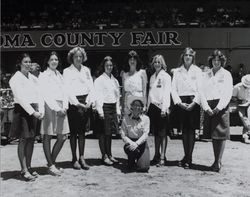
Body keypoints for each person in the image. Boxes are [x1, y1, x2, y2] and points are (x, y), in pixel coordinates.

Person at [8, 53, 44, 181]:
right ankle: (23, 170)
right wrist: (33, 112)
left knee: (31, 139)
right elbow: (21, 98)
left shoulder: (33, 78)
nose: (28, 64)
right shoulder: (15, 79)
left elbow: (39, 94)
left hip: (34, 110)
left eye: (30, 62)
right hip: (23, 111)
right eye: (25, 62)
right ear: (20, 63)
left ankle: (28, 166)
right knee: (24, 139)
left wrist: (41, 110)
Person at [200, 49, 233, 172]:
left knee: (221, 134)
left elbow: (228, 93)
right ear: (211, 61)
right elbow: (201, 92)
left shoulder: (226, 74)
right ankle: (216, 160)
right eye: (214, 60)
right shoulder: (206, 74)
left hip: (221, 106)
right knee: (214, 135)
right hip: (209, 105)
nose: (216, 62)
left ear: (222, 61)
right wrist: (207, 108)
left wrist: (219, 107)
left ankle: (218, 161)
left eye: (219, 60)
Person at [39, 51, 70, 176]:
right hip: (50, 107)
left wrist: (65, 107)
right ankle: (51, 165)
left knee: (62, 137)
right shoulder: (43, 75)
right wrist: (57, 108)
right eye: (51, 59)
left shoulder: (60, 75)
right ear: (47, 61)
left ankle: (51, 163)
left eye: (56, 59)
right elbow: (46, 94)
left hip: (62, 107)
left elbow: (65, 92)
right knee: (47, 136)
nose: (54, 61)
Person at [63, 47, 95, 170]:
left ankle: (82, 157)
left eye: (80, 56)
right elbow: (67, 90)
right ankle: (74, 158)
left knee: (82, 132)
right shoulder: (67, 71)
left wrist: (88, 102)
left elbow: (91, 87)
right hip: (73, 104)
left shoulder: (86, 70)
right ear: (72, 58)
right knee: (74, 132)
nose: (78, 58)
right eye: (76, 56)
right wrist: (77, 104)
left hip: (85, 103)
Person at [171, 47, 202, 169]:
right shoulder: (177, 71)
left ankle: (189, 158)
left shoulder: (198, 71)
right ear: (182, 57)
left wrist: (194, 103)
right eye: (186, 55)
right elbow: (173, 89)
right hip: (182, 102)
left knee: (191, 130)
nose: (188, 57)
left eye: (190, 55)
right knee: (184, 131)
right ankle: (186, 155)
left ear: (193, 57)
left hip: (194, 101)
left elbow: (200, 90)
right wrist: (179, 103)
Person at [94, 56, 121, 165]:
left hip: (113, 107)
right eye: (107, 66)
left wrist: (118, 110)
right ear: (103, 67)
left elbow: (117, 96)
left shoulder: (115, 80)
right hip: (103, 107)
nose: (109, 67)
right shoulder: (99, 80)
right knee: (102, 133)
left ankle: (109, 154)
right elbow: (98, 97)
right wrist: (100, 111)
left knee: (109, 133)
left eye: (110, 65)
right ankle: (104, 155)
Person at [147, 54, 171, 167]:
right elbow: (150, 94)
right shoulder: (152, 77)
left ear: (162, 64)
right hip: (153, 107)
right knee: (156, 133)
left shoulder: (166, 76)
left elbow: (166, 93)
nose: (157, 64)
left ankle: (162, 157)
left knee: (163, 134)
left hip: (162, 108)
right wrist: (147, 108)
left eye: (159, 62)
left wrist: (164, 108)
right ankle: (156, 155)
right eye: (155, 62)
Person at [120, 96, 150, 172]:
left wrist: (136, 144)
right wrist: (132, 143)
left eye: (139, 106)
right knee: (130, 151)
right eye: (135, 105)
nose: (137, 107)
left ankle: (139, 159)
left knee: (144, 168)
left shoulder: (146, 119)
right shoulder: (125, 119)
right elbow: (123, 135)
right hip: (130, 142)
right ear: (131, 107)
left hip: (141, 143)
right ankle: (131, 159)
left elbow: (145, 134)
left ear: (142, 108)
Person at [122, 50, 147, 114]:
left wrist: (144, 105)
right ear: (128, 61)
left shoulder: (142, 72)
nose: (132, 61)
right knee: (128, 123)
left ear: (137, 61)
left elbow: (144, 90)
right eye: (130, 59)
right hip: (128, 102)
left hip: (139, 102)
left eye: (134, 59)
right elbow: (123, 92)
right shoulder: (124, 74)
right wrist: (123, 106)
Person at [232, 74, 250, 144]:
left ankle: (245, 136)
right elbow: (232, 97)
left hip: (249, 104)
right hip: (240, 105)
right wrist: (240, 100)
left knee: (249, 117)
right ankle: (246, 135)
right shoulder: (237, 87)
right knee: (243, 118)